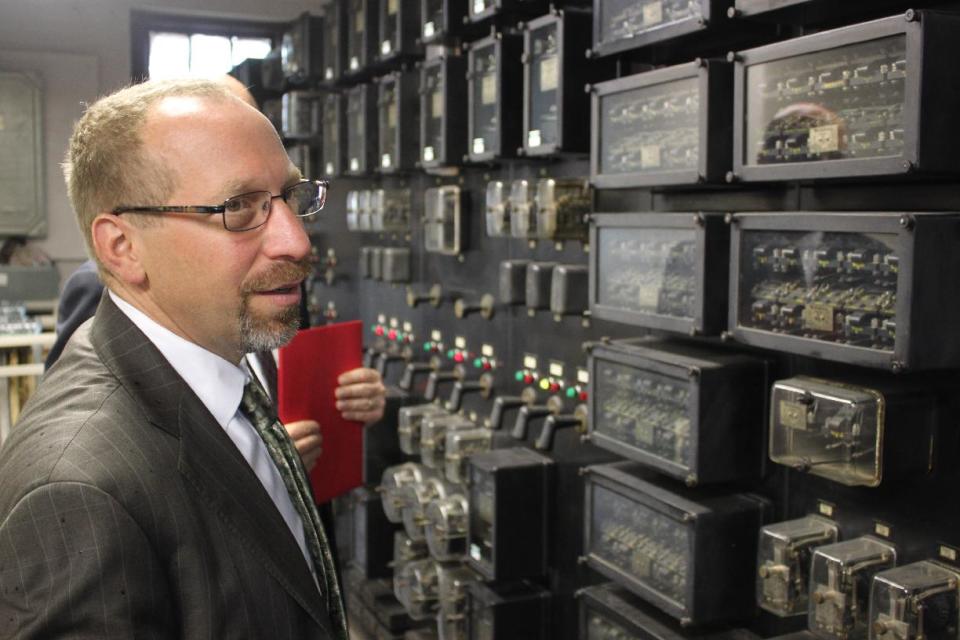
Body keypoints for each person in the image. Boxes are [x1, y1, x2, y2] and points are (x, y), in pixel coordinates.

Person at [0, 78, 385, 639]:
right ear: (122, 247)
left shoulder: (224, 375)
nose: (297, 242)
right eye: (238, 207)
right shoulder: (78, 491)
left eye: (291, 198)